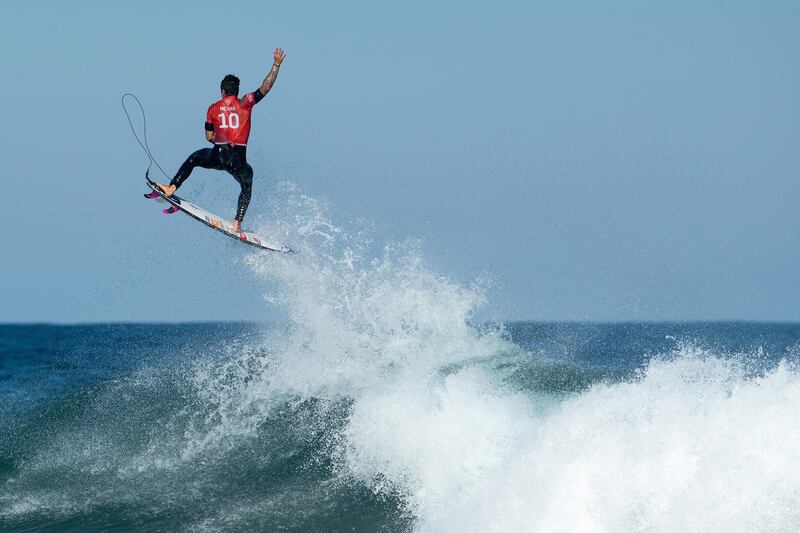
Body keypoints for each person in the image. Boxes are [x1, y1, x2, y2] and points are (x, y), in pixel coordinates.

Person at [158, 48, 286, 232]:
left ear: (222, 91)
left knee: (194, 158)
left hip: (218, 155)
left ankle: (171, 187)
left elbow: (209, 137)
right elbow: (265, 88)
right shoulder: (245, 103)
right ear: (237, 91)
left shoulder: (212, 108)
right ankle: (237, 222)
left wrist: (221, 141)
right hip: (238, 160)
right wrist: (276, 65)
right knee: (247, 182)